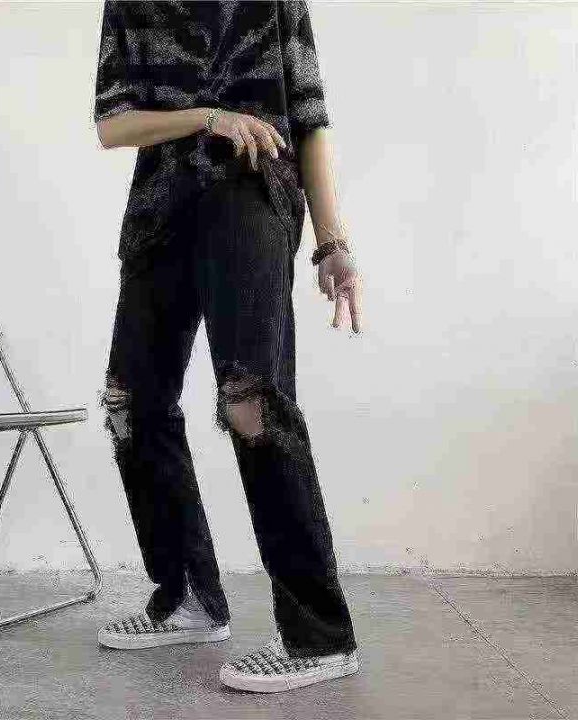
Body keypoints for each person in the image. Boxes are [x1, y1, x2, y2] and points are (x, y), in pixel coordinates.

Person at [92, 0, 363, 693]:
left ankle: (319, 637)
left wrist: (331, 242)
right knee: (130, 404)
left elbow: (309, 117)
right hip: (158, 211)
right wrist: (207, 117)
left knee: (252, 403)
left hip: (250, 198)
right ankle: (188, 597)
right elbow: (112, 124)